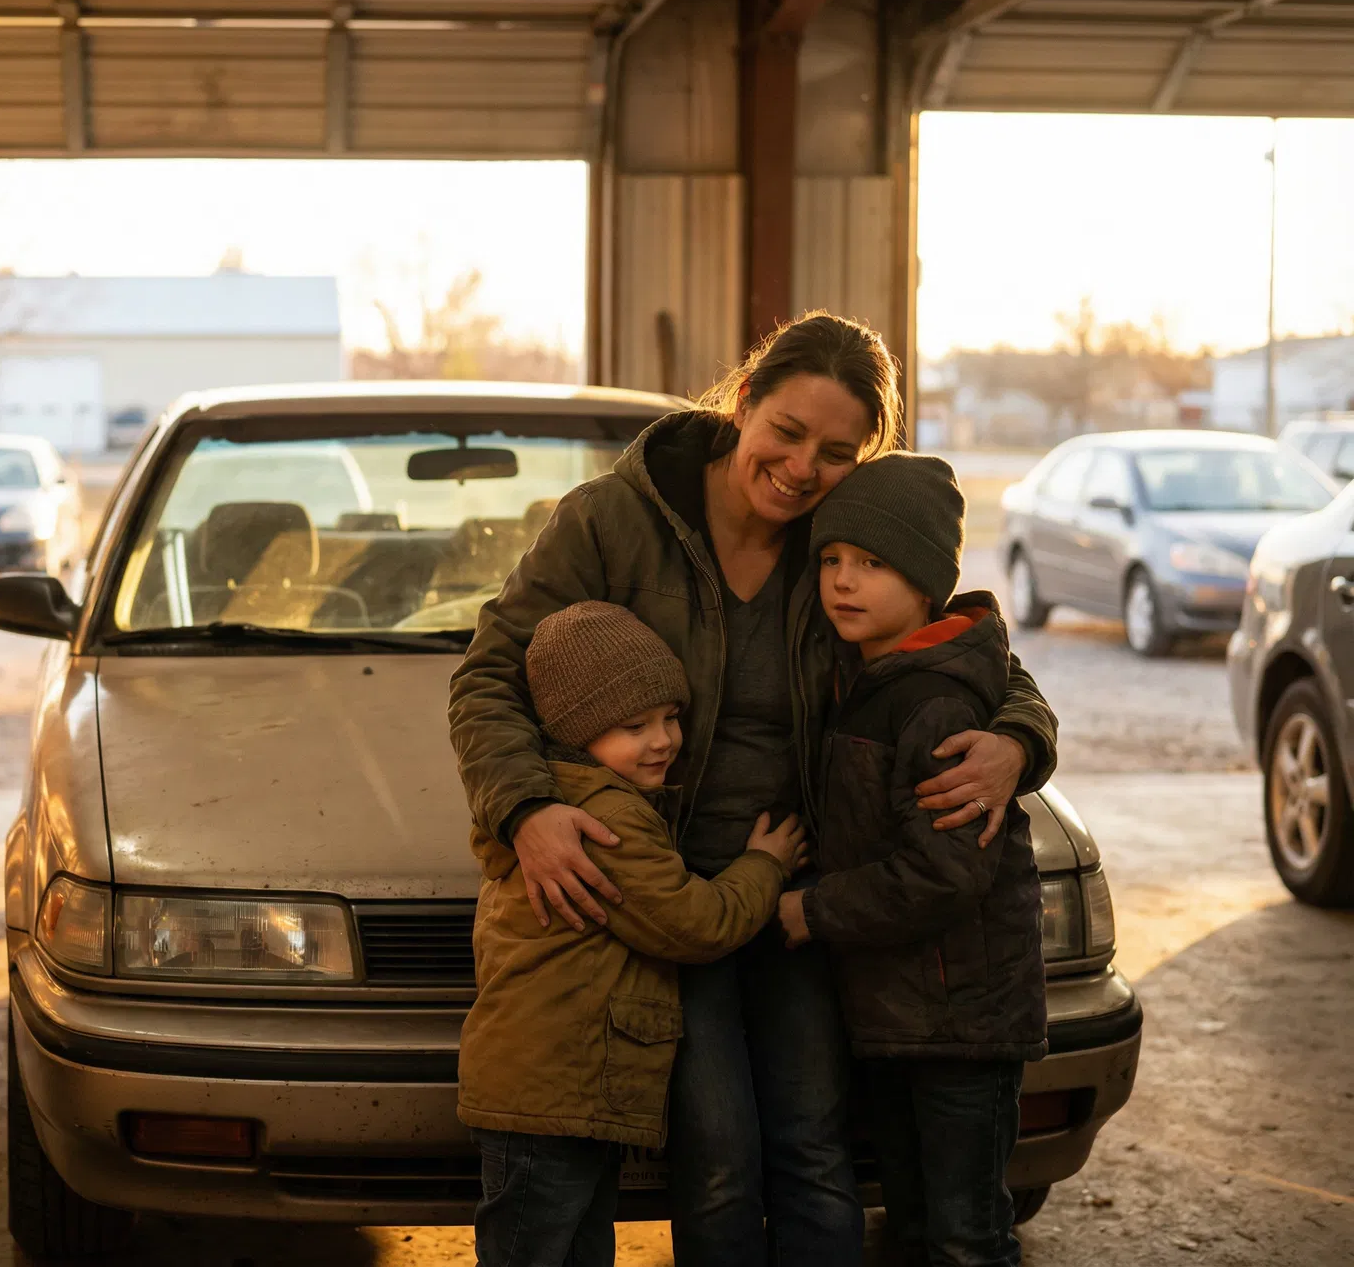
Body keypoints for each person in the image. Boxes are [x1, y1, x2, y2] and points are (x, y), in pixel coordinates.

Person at [448, 311, 1059, 1264]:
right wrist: (524, 807)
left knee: (814, 1150)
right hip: (668, 894)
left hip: (803, 892)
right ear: (743, 403)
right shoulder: (616, 520)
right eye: (787, 431)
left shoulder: (845, 537)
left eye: (836, 451)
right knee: (719, 1154)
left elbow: (960, 647)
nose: (802, 466)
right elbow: (490, 671)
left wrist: (1020, 739)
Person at [458, 600, 809, 1267]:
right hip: (553, 1090)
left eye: (670, 717)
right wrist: (765, 865)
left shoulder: (576, 801)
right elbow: (697, 924)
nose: (663, 740)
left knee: (576, 1249)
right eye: (634, 726)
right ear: (576, 732)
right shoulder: (604, 819)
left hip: (558, 1088)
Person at [778, 454, 1047, 1267]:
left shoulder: (934, 703)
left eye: (872, 564)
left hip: (961, 1026)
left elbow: (943, 873)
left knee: (966, 1237)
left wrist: (810, 910)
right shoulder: (863, 676)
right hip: (902, 1019)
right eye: (830, 560)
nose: (843, 583)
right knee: (918, 1227)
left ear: (927, 581)